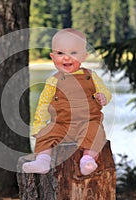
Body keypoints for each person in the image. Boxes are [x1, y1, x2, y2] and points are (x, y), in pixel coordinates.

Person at [22, 28, 112, 175]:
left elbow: (106, 92)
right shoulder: (53, 81)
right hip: (61, 125)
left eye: (73, 53)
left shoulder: (91, 76)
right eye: (60, 53)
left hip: (87, 122)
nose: (66, 58)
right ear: (52, 56)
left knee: (95, 133)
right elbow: (43, 105)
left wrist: (104, 97)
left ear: (84, 56)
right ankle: (43, 161)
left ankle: (87, 160)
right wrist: (38, 126)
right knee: (45, 134)